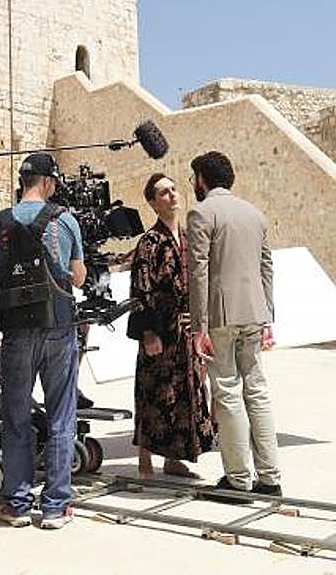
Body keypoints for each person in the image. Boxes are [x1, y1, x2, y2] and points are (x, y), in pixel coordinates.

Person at [0, 153, 86, 530]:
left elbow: (0, 278)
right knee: (61, 416)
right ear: (47, 182)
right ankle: (56, 507)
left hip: (16, 332)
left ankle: (17, 504)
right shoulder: (65, 220)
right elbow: (77, 277)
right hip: (58, 329)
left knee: (16, 417)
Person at [186, 151, 282, 497]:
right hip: (255, 313)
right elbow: (266, 267)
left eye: (194, 178)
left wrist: (199, 327)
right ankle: (270, 477)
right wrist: (267, 315)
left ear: (202, 179)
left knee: (227, 393)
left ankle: (239, 478)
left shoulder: (201, 213)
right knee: (257, 391)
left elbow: (198, 272)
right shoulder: (254, 214)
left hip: (220, 317)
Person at [129, 172, 215, 478]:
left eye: (174, 189)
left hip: (188, 333)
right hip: (160, 331)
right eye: (164, 192)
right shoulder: (149, 242)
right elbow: (141, 289)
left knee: (185, 395)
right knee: (153, 392)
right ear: (153, 202)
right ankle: (145, 459)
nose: (172, 195)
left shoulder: (189, 238)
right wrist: (148, 332)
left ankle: (174, 458)